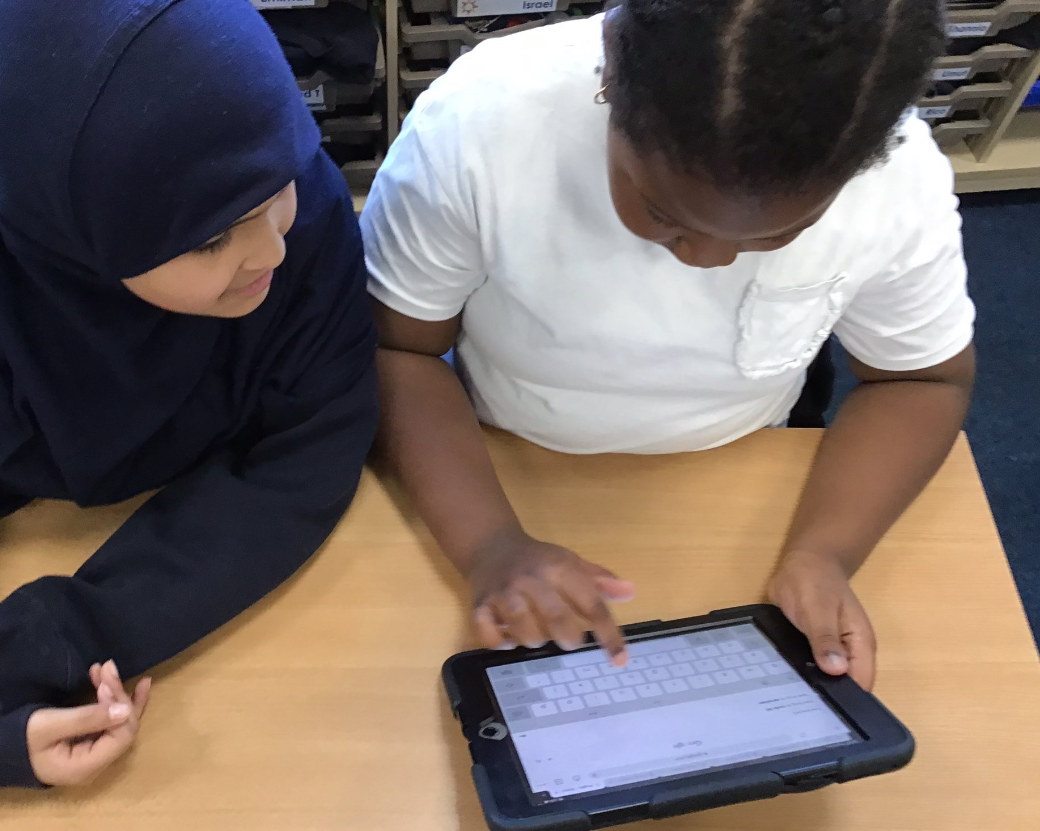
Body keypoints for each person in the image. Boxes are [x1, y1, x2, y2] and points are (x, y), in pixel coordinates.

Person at [364, 0, 975, 691]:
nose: (709, 260)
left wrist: (825, 553)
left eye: (776, 234)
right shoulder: (480, 123)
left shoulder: (898, 179)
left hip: (746, 467)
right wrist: (488, 544)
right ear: (609, 74)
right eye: (661, 214)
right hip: (498, 451)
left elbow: (920, 380)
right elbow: (400, 350)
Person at [0, 0, 377, 808]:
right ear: (60, 234)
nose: (274, 245)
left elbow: (315, 441)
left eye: (281, 176)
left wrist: (84, 623)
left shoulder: (296, 212)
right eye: (210, 237)